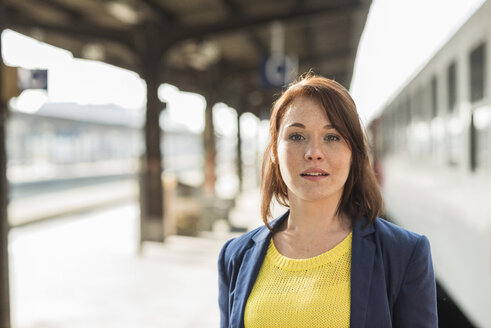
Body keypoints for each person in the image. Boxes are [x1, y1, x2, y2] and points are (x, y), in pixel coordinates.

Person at [218, 74, 438, 328]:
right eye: (297, 136)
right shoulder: (235, 256)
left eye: (332, 137)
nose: (313, 154)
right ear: (275, 151)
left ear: (354, 153)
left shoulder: (403, 254)